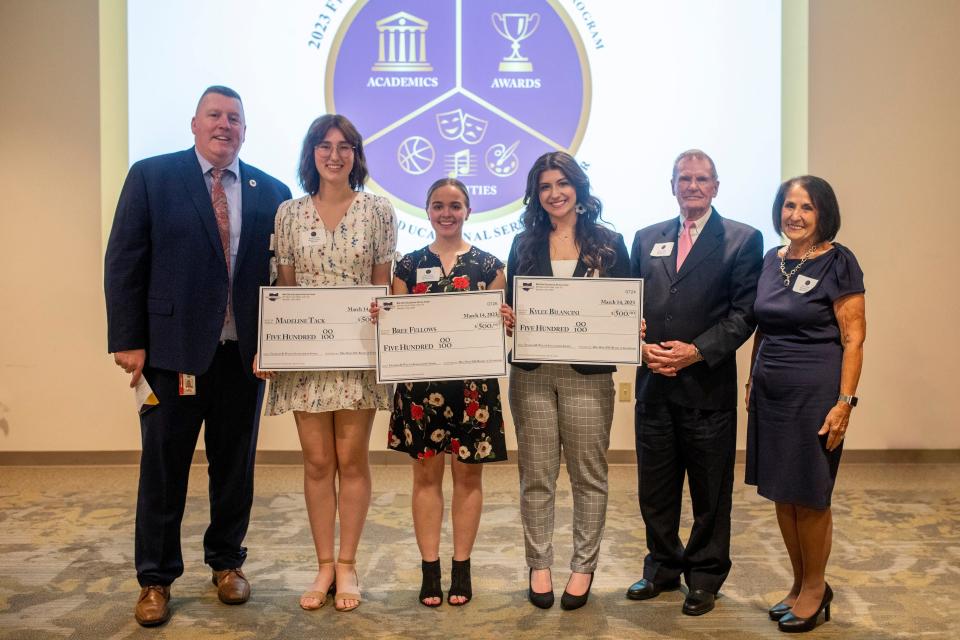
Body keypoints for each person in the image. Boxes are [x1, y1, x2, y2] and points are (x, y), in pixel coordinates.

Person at [104, 86, 292, 627]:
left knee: (234, 468)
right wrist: (127, 339)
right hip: (169, 354)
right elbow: (124, 261)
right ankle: (155, 579)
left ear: (244, 130)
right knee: (164, 471)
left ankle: (227, 563)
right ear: (194, 123)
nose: (224, 125)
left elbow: (279, 280)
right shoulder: (151, 176)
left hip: (242, 358)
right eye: (215, 115)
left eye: (234, 118)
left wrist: (282, 342)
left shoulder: (270, 190)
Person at [254, 114, 397, 613]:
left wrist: (386, 312)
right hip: (307, 358)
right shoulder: (288, 214)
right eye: (324, 145)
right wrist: (273, 346)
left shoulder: (379, 211)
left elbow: (383, 286)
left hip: (358, 354)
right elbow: (286, 293)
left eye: (345, 146)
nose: (334, 155)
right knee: (317, 462)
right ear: (310, 153)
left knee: (352, 458)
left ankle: (349, 563)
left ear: (356, 156)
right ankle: (323, 564)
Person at [627, 149, 763, 616]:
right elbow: (625, 306)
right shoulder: (646, 238)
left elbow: (745, 314)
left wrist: (695, 351)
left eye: (702, 179)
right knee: (656, 490)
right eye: (684, 178)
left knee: (710, 492)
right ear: (672, 185)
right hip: (654, 385)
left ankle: (704, 575)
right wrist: (638, 346)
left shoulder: (742, 240)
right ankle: (661, 567)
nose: (692, 186)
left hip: (707, 386)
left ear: (716, 187)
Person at [502, 151, 630, 611]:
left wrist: (629, 323)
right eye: (545, 187)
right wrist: (507, 315)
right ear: (536, 195)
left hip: (588, 377)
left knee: (588, 477)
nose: (554, 193)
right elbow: (508, 302)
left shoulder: (609, 242)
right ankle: (539, 564)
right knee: (535, 476)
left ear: (578, 187)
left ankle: (582, 567)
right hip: (532, 375)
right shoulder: (523, 244)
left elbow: (627, 302)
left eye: (562, 183)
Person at [373, 178, 507, 607]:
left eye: (454, 205)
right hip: (421, 389)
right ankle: (430, 570)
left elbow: (497, 333)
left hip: (473, 389)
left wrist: (506, 318)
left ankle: (461, 568)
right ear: (427, 211)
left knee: (468, 477)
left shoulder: (490, 265)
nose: (446, 213)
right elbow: (397, 329)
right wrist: (384, 317)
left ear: (468, 210)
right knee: (425, 478)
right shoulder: (407, 266)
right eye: (437, 206)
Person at [745, 176, 865, 632]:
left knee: (811, 496)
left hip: (815, 393)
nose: (795, 215)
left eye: (807, 207)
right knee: (782, 491)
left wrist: (845, 403)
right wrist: (753, 378)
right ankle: (798, 585)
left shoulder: (839, 260)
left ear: (823, 214)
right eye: (789, 205)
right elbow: (763, 326)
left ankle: (816, 587)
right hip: (772, 392)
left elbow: (854, 338)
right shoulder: (771, 261)